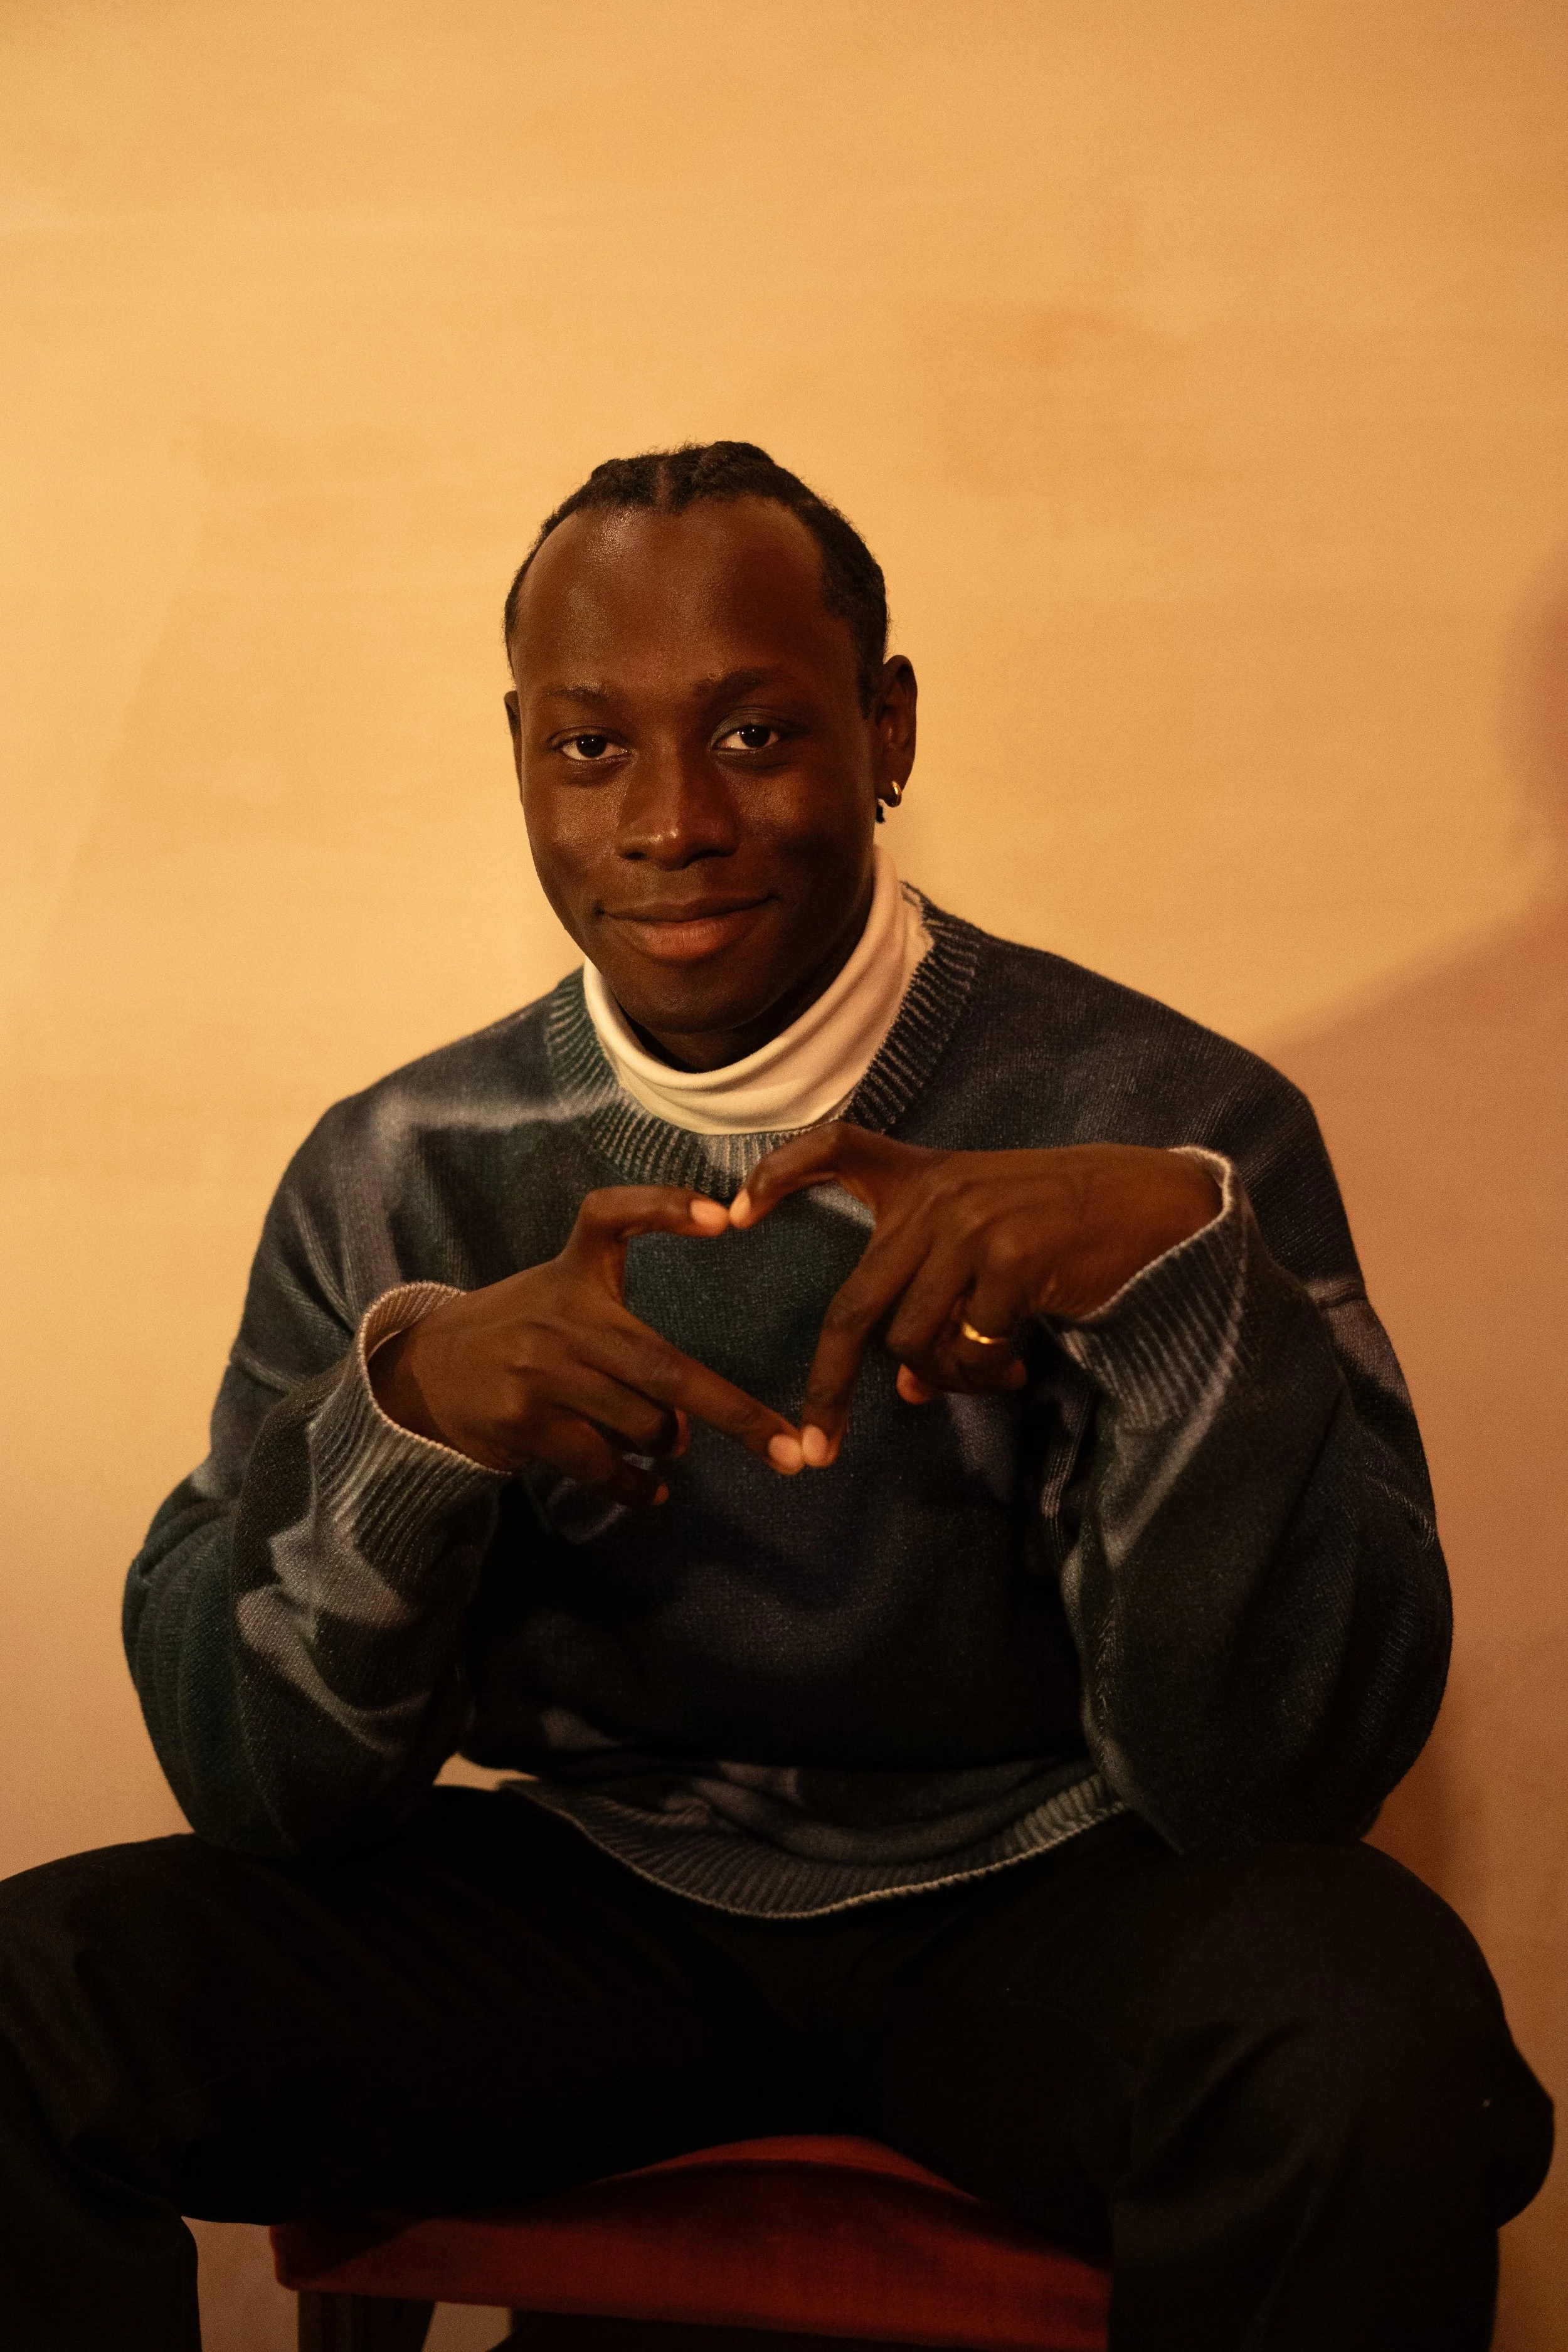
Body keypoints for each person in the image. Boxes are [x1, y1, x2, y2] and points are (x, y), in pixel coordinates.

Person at [0, 442, 1550, 2350]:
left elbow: (1280, 1789)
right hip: (599, 1911)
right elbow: (260, 1791)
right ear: (520, 759)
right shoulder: (398, 1167)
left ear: (884, 728)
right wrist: (410, 1430)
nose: (670, 822)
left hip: (1041, 1910)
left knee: (1369, 2022)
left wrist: (1172, 1293)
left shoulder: (1168, 1122)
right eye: (591, 748)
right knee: (27, 2009)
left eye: (753, 734)